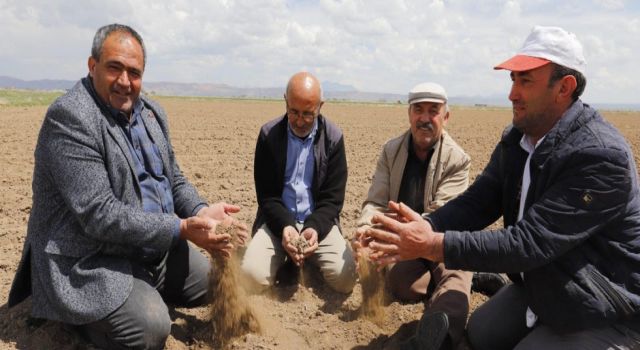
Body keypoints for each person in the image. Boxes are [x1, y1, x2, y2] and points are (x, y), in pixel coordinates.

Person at [364, 26, 640, 350]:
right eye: (513, 80)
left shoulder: (598, 156)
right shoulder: (519, 139)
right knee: (480, 334)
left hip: (602, 306)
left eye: (525, 81)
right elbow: (481, 200)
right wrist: (428, 224)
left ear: (564, 87)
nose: (512, 94)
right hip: (543, 283)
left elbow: (528, 244)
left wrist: (433, 244)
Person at [7, 23, 248, 350]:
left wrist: (201, 210)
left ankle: (140, 293)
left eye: (133, 72)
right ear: (93, 66)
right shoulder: (71, 118)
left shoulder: (151, 113)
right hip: (91, 258)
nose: (124, 81)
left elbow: (173, 178)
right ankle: (79, 321)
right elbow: (100, 215)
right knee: (150, 328)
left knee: (215, 282)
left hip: (152, 251)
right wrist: (181, 228)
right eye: (114, 68)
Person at [352, 82, 472, 350]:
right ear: (409, 114)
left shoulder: (457, 160)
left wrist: (395, 233)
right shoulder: (391, 151)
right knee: (400, 284)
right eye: (419, 110)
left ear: (445, 116)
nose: (425, 118)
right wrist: (364, 229)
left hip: (440, 239)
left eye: (433, 111)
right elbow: (375, 201)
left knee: (453, 276)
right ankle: (473, 278)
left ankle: (438, 336)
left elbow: (443, 215)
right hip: (404, 244)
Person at [241, 72, 357, 294]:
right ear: (285, 100)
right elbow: (267, 197)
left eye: (308, 114)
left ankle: (306, 259)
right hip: (278, 225)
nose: (300, 120)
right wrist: (286, 227)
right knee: (250, 278)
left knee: (346, 280)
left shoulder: (333, 138)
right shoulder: (269, 135)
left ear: (320, 107)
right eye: (293, 111)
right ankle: (288, 260)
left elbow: (332, 200)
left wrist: (313, 228)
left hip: (318, 226)